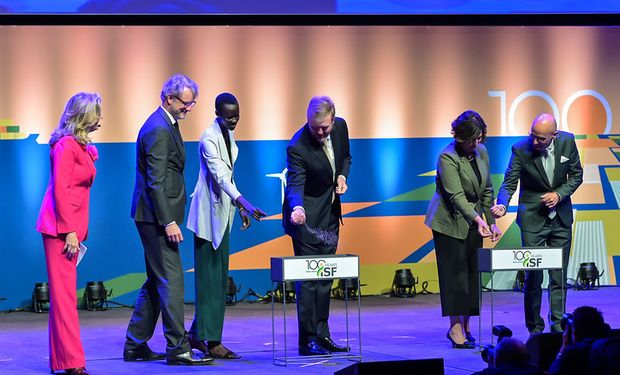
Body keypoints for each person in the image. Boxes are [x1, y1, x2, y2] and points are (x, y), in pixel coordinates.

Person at [124, 74, 212, 365]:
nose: (189, 108)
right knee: (172, 280)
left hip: (155, 215)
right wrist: (168, 222)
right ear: (169, 99)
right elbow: (156, 182)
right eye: (186, 103)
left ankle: (135, 344)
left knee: (156, 280)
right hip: (155, 217)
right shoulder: (158, 129)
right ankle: (178, 347)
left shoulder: (166, 124)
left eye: (192, 103)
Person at [186, 93, 266, 359]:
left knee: (217, 281)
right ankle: (213, 341)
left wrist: (240, 207)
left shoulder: (228, 135)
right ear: (217, 113)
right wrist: (244, 200)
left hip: (223, 215)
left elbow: (229, 174)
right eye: (229, 117)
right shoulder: (208, 138)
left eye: (237, 117)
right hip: (207, 219)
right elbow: (220, 176)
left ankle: (197, 335)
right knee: (209, 282)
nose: (233, 121)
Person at [491, 113, 583, 334]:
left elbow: (577, 175)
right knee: (534, 276)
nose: (535, 142)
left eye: (541, 139)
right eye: (533, 136)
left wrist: (559, 195)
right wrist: (502, 204)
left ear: (554, 135)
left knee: (558, 274)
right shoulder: (520, 149)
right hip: (533, 219)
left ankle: (558, 326)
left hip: (560, 218)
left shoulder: (568, 141)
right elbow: (509, 181)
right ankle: (534, 328)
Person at [36, 92, 103, 375]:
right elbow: (61, 191)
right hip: (60, 230)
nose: (101, 118)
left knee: (64, 297)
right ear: (83, 115)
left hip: (69, 228)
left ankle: (63, 360)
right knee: (64, 298)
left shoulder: (78, 145)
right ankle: (73, 362)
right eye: (97, 113)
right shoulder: (65, 146)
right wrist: (70, 232)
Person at [424, 110, 502, 349]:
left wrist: (491, 221)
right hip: (449, 222)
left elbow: (487, 189)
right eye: (471, 140)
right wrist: (478, 219)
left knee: (471, 274)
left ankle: (467, 325)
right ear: (460, 138)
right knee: (454, 276)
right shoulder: (447, 157)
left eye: (479, 138)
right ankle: (455, 328)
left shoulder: (482, 152)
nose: (476, 144)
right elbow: (456, 196)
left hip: (474, 221)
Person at [283, 96, 352, 356]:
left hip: (330, 216)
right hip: (307, 220)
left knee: (325, 279)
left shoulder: (341, 127)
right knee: (309, 281)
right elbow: (295, 183)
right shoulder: (298, 146)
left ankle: (323, 335)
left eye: (325, 127)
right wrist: (297, 208)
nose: (321, 132)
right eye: (315, 128)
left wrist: (343, 176)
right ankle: (307, 340)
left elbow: (346, 157)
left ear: (333, 119)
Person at [548, 306, 610, 374]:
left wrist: (564, 346)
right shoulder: (610, 349)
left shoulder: (573, 353)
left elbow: (553, 372)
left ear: (574, 332)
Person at [473, 338, 545, 375]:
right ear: (526, 356)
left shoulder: (488, 374)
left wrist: (492, 366)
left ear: (497, 358)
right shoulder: (538, 372)